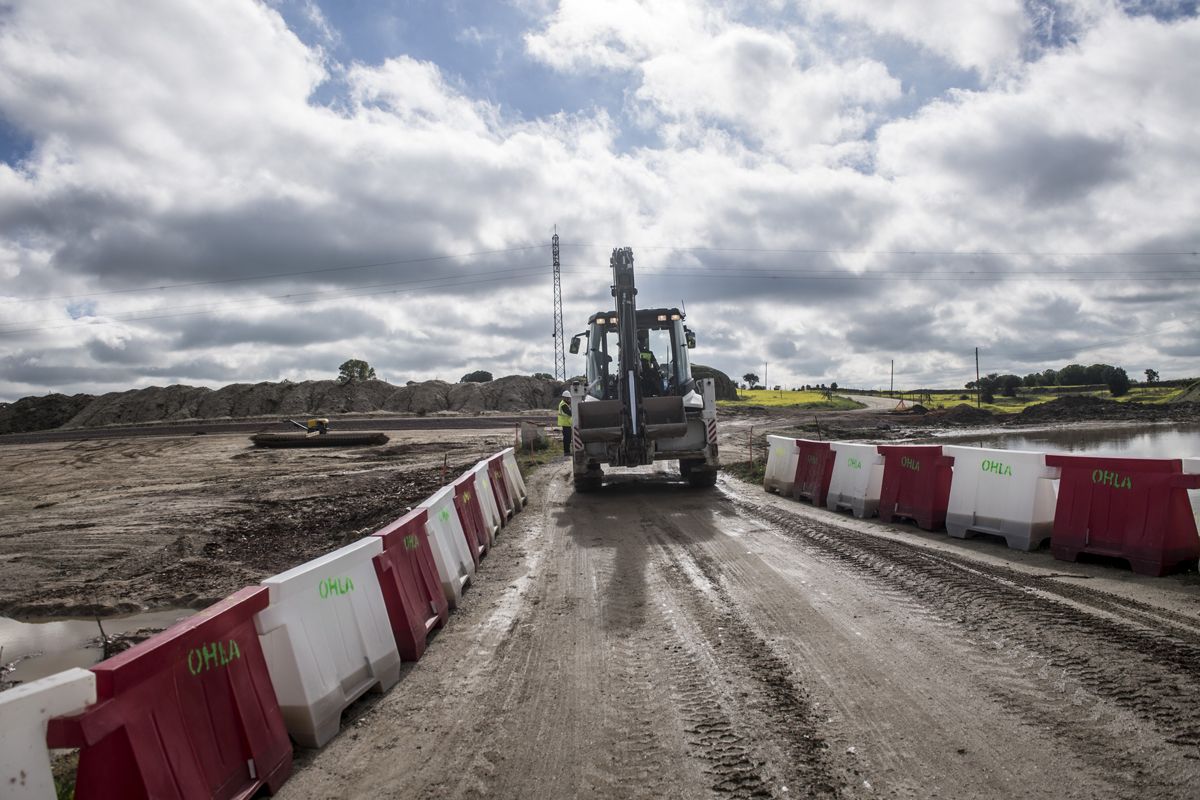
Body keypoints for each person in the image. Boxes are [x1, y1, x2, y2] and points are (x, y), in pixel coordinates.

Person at [557, 390, 572, 455]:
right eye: (568, 398)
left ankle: (567, 451)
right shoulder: (563, 405)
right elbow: (569, 413)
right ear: (565, 398)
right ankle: (567, 452)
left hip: (567, 424)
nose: (569, 399)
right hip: (565, 424)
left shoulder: (565, 404)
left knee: (567, 438)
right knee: (567, 439)